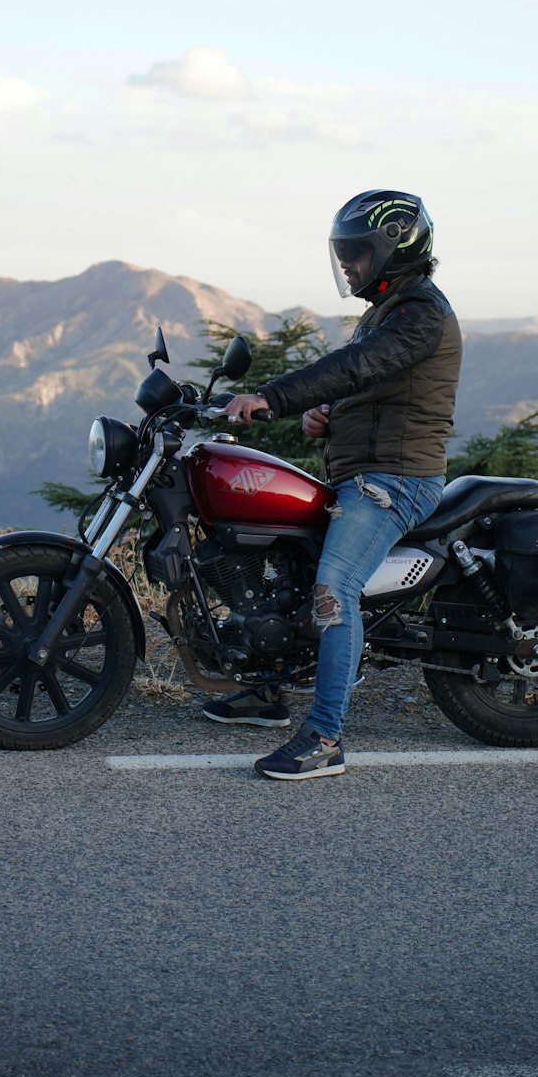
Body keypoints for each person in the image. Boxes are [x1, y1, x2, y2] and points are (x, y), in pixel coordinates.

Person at [202, 189, 462, 780]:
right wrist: (328, 416)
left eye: (359, 253)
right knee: (286, 571)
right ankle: (269, 689)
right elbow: (372, 386)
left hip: (397, 481)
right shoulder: (389, 310)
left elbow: (352, 368)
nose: (348, 265)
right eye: (344, 254)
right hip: (363, 472)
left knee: (333, 588)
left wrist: (274, 396)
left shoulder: (421, 312)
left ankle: (325, 738)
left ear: (397, 249)